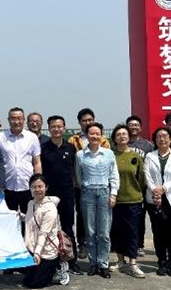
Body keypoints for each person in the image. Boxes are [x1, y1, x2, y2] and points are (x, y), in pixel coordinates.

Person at [75, 122, 118, 278]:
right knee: (90, 231)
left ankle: (103, 263)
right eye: (91, 133)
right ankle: (93, 263)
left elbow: (114, 175)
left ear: (101, 135)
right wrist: (86, 187)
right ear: (87, 135)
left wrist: (113, 194)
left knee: (104, 232)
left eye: (97, 133)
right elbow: (79, 176)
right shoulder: (80, 155)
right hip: (87, 193)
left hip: (104, 193)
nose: (94, 136)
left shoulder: (109, 154)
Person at [39, 115, 80, 274]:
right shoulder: (43, 148)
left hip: (67, 193)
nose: (56, 129)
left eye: (59, 126)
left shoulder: (70, 148)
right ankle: (51, 261)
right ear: (49, 129)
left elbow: (75, 171)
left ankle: (72, 260)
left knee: (68, 227)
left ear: (64, 128)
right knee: (49, 227)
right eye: (53, 127)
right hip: (49, 195)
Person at [144, 127, 171, 277]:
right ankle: (161, 260)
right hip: (154, 199)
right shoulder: (150, 156)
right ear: (155, 140)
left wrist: (164, 188)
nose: (162, 139)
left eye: (165, 136)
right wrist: (155, 191)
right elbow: (147, 176)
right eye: (159, 136)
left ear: (170, 139)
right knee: (158, 231)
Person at [68, 108, 110, 258]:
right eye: (84, 120)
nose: (87, 122)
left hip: (100, 184)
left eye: (90, 120)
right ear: (79, 123)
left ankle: (100, 243)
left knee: (101, 215)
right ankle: (82, 244)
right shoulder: (73, 140)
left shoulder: (103, 140)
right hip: (80, 185)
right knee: (81, 215)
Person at [109, 125, 146, 278]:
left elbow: (141, 179)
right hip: (115, 200)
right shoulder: (110, 155)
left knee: (132, 232)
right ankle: (120, 261)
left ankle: (133, 263)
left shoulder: (136, 156)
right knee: (117, 232)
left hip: (133, 200)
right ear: (114, 138)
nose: (122, 136)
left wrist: (137, 192)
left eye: (124, 134)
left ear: (129, 137)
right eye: (118, 134)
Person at [23, 174, 67, 288]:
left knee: (34, 284)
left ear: (46, 188)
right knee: (26, 282)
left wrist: (37, 253)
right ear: (30, 188)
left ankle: (57, 271)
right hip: (33, 249)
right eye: (34, 187)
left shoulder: (50, 208)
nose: (37, 190)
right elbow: (31, 219)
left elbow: (43, 233)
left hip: (47, 252)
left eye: (40, 186)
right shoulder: (30, 204)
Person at [0, 107, 43, 217]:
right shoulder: (0, 137)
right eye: (13, 118)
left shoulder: (32, 137)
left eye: (19, 118)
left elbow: (37, 162)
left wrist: (38, 182)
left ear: (24, 120)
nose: (16, 121)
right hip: (7, 186)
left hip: (27, 185)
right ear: (8, 120)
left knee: (30, 219)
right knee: (9, 219)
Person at [126, 114, 152, 257]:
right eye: (131, 125)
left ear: (140, 128)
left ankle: (139, 245)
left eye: (136, 125)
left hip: (143, 187)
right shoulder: (123, 142)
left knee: (140, 217)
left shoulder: (147, 145)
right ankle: (126, 244)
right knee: (127, 217)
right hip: (126, 186)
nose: (134, 127)